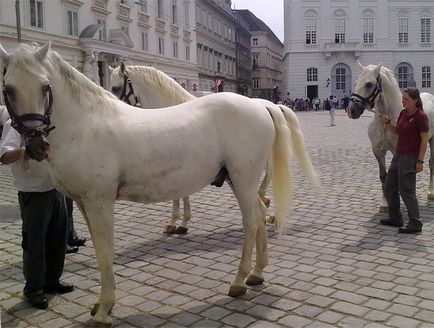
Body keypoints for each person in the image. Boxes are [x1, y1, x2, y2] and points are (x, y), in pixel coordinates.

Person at [0, 120, 74, 309]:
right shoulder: (15, 125)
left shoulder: (47, 123)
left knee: (58, 240)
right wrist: (26, 151)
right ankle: (33, 289)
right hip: (32, 192)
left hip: (56, 188)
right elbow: (4, 155)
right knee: (35, 243)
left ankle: (52, 281)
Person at [380, 88, 429, 233]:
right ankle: (396, 218)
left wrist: (420, 161)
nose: (402, 101)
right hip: (398, 155)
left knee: (406, 190)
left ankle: (415, 222)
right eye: (402, 98)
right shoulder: (403, 113)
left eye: (406, 99)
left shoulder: (421, 116)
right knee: (389, 187)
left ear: (414, 100)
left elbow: (424, 141)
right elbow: (398, 131)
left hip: (410, 157)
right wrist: (388, 123)